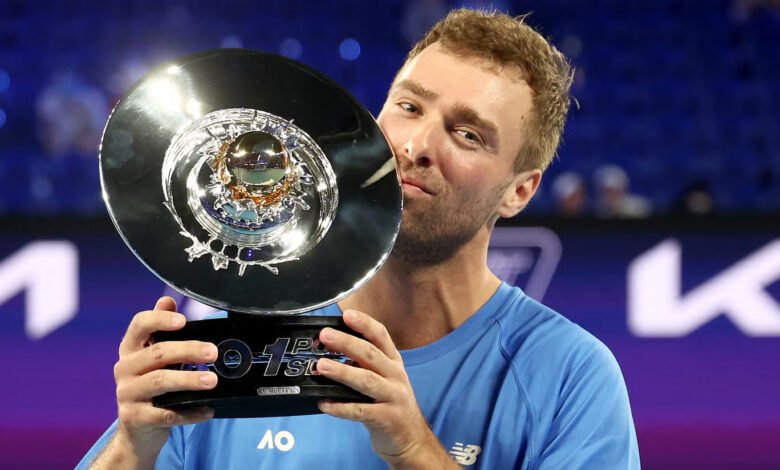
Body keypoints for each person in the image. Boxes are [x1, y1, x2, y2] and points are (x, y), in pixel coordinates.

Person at [79, 9, 639, 469]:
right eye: (409, 106)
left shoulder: (569, 374)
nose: (416, 145)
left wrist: (415, 450)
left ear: (519, 191)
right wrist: (133, 447)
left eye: (467, 134)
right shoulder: (242, 354)